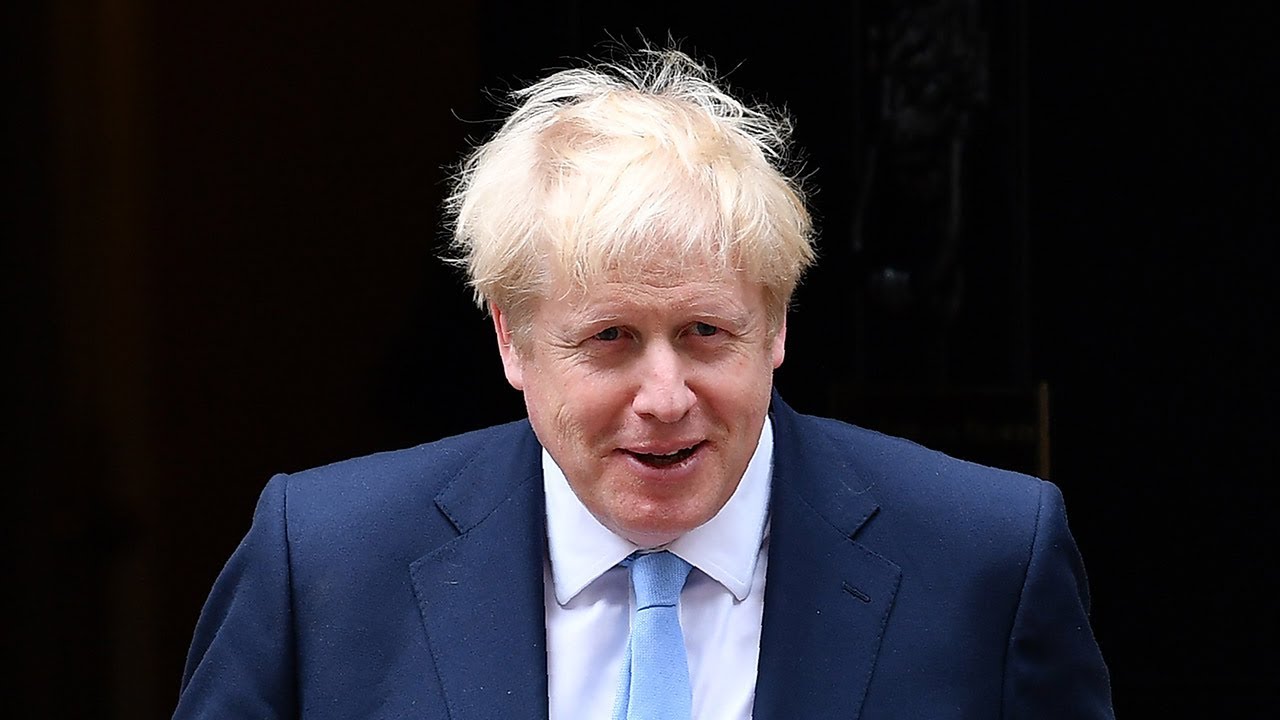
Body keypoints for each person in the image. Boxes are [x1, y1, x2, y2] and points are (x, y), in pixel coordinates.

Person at [174, 47, 1113, 719]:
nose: (664, 396)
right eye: (611, 339)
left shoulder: (990, 561)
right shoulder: (326, 563)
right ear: (513, 341)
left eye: (705, 333)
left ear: (777, 327)